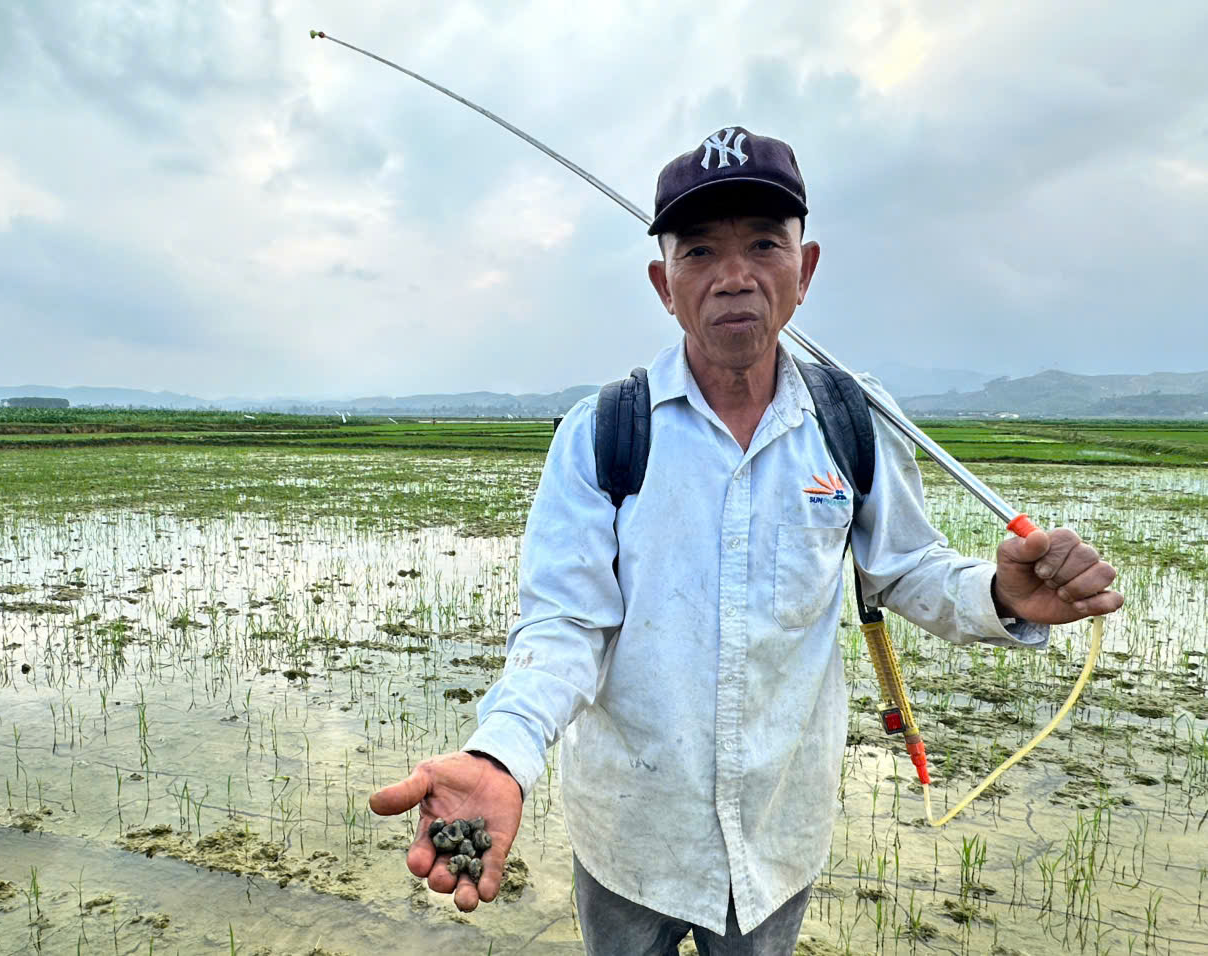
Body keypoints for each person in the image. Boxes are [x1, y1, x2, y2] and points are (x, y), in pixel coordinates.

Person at [369, 127, 1123, 955]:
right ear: (663, 283)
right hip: (630, 837)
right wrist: (500, 756)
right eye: (699, 251)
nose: (735, 276)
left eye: (765, 243)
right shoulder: (603, 431)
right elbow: (565, 626)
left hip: (777, 836)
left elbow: (905, 567)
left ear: (807, 268)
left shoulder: (852, 418)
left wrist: (1001, 593)